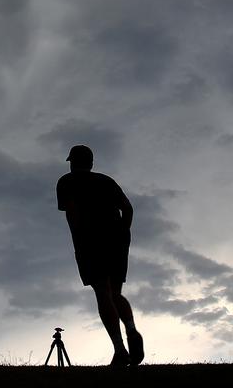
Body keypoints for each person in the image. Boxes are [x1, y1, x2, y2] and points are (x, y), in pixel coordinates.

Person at [56, 144, 144, 367]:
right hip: (117, 240)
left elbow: (73, 213)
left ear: (73, 162)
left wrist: (80, 243)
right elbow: (128, 208)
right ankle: (132, 330)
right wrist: (123, 232)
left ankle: (120, 349)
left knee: (103, 292)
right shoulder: (106, 181)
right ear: (91, 163)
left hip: (90, 242)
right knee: (115, 292)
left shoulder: (66, 182)